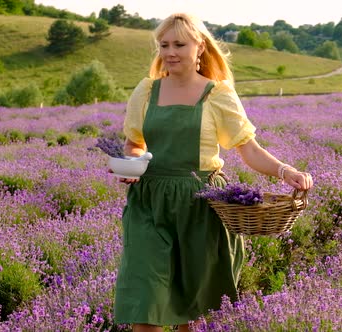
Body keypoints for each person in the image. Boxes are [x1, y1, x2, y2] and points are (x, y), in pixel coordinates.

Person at [113, 12, 313, 332]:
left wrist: (283, 170)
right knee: (144, 301)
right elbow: (133, 143)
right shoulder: (147, 90)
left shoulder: (217, 93)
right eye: (163, 45)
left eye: (179, 44)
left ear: (200, 47)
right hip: (148, 204)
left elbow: (248, 149)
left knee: (190, 312)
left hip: (198, 205)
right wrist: (133, 165)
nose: (170, 52)